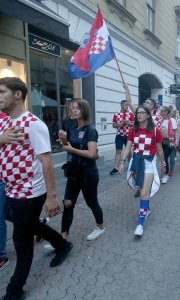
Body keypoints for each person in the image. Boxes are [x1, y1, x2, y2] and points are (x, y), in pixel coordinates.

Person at [0, 77, 72, 300]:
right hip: (10, 188)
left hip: (30, 192)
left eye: (2, 92)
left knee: (22, 241)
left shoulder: (34, 124)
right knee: (29, 225)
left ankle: (14, 290)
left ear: (18, 94)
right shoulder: (3, 122)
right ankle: (62, 244)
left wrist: (52, 197)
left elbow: (47, 162)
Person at [57, 99, 105, 242]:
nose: (74, 110)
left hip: (88, 173)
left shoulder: (91, 130)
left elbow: (91, 154)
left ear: (84, 110)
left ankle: (100, 227)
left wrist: (70, 148)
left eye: (78, 108)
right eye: (73, 108)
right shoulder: (72, 128)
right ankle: (62, 239)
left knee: (91, 202)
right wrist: (64, 140)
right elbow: (69, 147)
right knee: (67, 203)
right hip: (74, 172)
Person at [118, 105, 165, 236]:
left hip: (149, 163)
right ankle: (147, 209)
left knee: (144, 192)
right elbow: (128, 146)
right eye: (138, 113)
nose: (139, 115)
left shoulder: (156, 131)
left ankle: (140, 224)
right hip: (136, 163)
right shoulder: (133, 130)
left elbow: (160, 149)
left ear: (148, 115)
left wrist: (163, 163)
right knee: (140, 188)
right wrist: (122, 161)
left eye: (142, 113)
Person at [110, 100, 134, 175]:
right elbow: (114, 125)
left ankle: (131, 165)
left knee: (129, 151)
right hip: (119, 135)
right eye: (126, 105)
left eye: (128, 105)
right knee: (118, 151)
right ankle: (116, 167)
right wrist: (121, 124)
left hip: (128, 135)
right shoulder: (116, 114)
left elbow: (133, 124)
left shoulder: (130, 114)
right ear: (121, 105)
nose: (127, 106)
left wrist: (127, 123)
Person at [160, 106, 179, 184]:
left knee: (171, 157)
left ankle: (169, 171)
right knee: (164, 157)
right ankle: (166, 172)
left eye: (162, 111)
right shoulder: (160, 120)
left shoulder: (172, 120)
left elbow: (176, 131)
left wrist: (177, 140)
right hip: (162, 141)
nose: (160, 112)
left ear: (166, 112)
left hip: (170, 141)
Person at [0, 109, 9, 271]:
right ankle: (38, 226)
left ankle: (2, 255)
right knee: (9, 213)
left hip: (2, 174)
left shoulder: (4, 119)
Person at [168, 106, 180, 176]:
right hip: (166, 139)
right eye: (172, 111)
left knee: (172, 156)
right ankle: (166, 168)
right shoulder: (164, 118)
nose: (173, 113)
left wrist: (177, 141)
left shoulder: (176, 120)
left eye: (174, 112)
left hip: (173, 139)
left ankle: (171, 169)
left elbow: (178, 131)